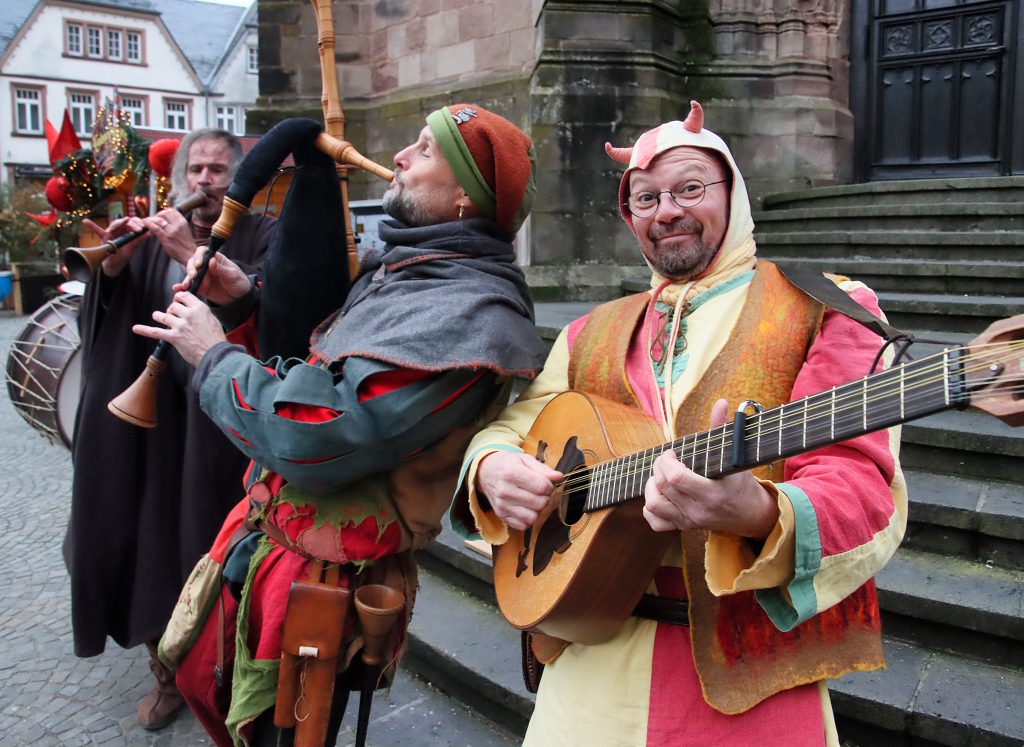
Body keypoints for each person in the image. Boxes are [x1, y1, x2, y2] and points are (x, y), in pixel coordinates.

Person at [453, 101, 907, 746]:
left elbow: (860, 477)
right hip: (585, 663)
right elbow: (517, 423)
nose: (666, 211)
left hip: (753, 680)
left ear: (734, 192)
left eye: (690, 188)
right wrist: (493, 466)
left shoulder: (826, 305)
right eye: (645, 199)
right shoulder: (591, 330)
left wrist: (757, 512)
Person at [135, 105, 547, 747]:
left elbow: (318, 434)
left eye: (424, 150)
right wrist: (243, 302)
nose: (401, 157)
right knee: (209, 692)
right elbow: (316, 375)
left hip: (322, 591)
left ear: (467, 193)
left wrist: (213, 356)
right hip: (270, 550)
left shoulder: (470, 311)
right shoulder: (406, 275)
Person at [66, 127, 276, 730]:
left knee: (212, 549)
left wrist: (191, 250)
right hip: (157, 434)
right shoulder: (153, 237)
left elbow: (273, 312)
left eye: (217, 170)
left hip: (223, 431)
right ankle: (165, 674)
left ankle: (227, 671)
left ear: (240, 180)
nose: (204, 181)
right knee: (151, 546)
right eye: (196, 171)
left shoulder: (265, 236)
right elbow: (109, 334)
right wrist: (116, 271)